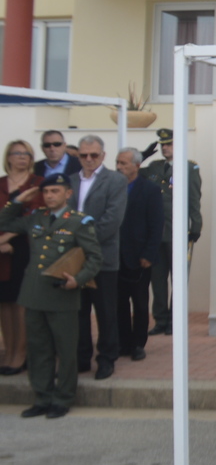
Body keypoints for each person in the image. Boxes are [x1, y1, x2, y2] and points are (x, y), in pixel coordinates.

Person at [0, 173, 101, 419]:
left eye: (55, 191)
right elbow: (3, 222)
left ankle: (63, 398)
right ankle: (42, 397)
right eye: (46, 192)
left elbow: (95, 258)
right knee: (37, 349)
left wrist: (76, 280)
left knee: (65, 350)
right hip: (33, 295)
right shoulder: (35, 218)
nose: (49, 196)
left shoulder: (79, 221)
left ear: (68, 194)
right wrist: (19, 200)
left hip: (62, 295)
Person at [71, 135, 127, 381]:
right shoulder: (71, 181)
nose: (89, 159)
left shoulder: (115, 180)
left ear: (103, 156)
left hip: (102, 258)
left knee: (105, 311)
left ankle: (106, 358)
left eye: (94, 155)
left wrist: (82, 243)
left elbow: (112, 220)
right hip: (74, 260)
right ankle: (82, 357)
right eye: (84, 155)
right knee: (78, 311)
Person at [142, 128, 203, 337]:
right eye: (163, 144)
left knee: (178, 279)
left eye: (169, 144)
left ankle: (174, 321)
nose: (165, 148)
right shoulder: (153, 167)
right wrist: (142, 156)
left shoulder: (189, 168)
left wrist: (195, 226)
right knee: (157, 280)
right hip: (155, 233)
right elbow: (129, 173)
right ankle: (160, 320)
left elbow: (194, 199)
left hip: (178, 232)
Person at [114, 148, 163, 363]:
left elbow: (156, 223)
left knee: (140, 304)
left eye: (124, 163)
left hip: (139, 256)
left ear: (136, 165)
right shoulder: (113, 187)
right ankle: (123, 343)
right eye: (118, 162)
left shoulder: (149, 189)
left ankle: (137, 344)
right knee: (119, 303)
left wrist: (149, 253)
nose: (119, 167)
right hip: (115, 256)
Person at [0, 139, 41, 376]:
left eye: (26, 153)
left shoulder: (36, 183)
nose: (22, 157)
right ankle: (8, 351)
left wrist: (3, 240)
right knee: (4, 303)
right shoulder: (1, 183)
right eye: (17, 153)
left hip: (24, 247)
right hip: (2, 253)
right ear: (8, 157)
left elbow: (33, 215)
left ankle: (21, 354)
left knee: (19, 303)